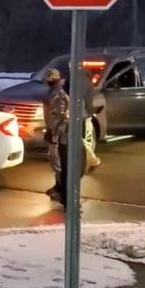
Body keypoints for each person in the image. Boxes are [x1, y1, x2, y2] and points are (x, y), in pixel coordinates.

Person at [43, 68, 83, 208]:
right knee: (62, 166)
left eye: (49, 79)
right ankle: (63, 193)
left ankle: (67, 199)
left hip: (64, 136)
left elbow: (63, 117)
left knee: (64, 167)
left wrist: (54, 133)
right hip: (63, 135)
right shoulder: (56, 93)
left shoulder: (59, 95)